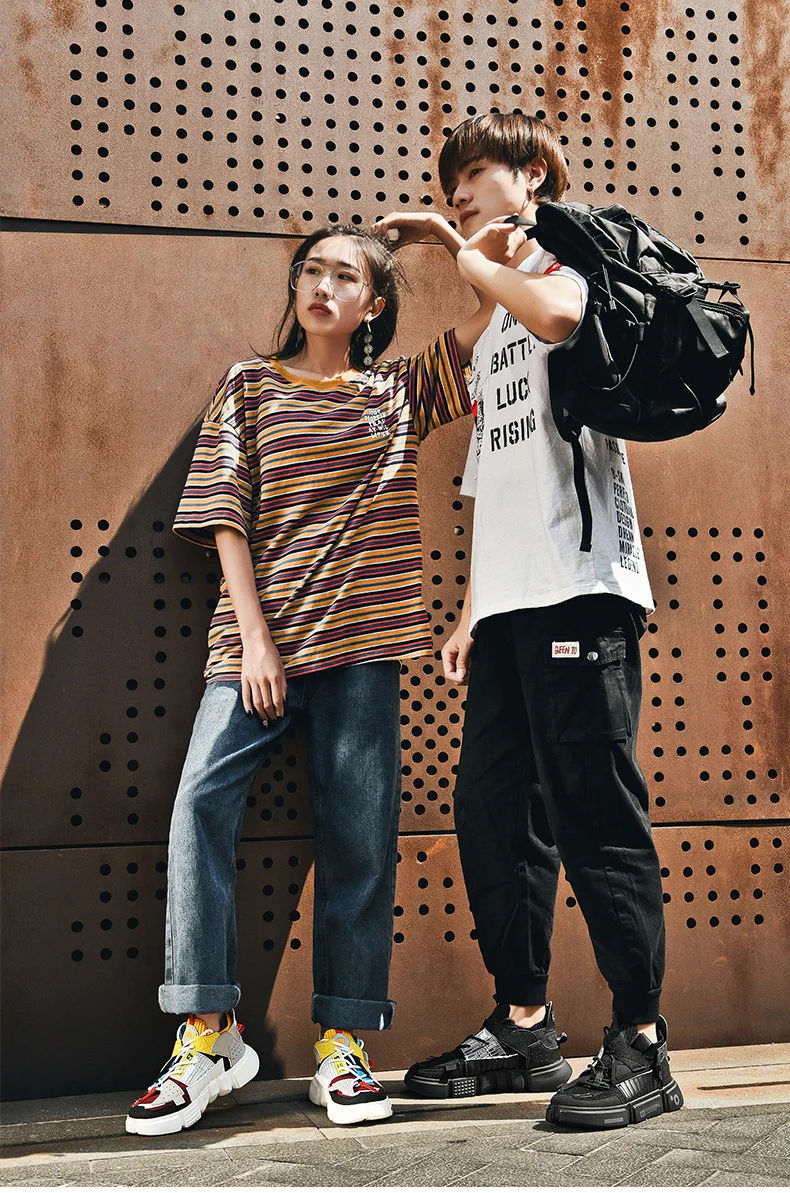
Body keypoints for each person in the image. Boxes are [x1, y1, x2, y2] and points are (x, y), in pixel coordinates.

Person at [125, 224, 492, 1135]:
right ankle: (208, 1033)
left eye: (346, 276)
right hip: (256, 645)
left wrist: (445, 237)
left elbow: (494, 309)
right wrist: (255, 638)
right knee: (199, 805)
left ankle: (343, 1043)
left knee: (360, 838)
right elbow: (225, 512)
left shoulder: (397, 392)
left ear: (374, 305)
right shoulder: (249, 386)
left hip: (364, 647)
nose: (323, 285)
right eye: (312, 270)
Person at [378, 112, 684, 1130]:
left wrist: (455, 246)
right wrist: (473, 607)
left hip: (579, 589)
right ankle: (523, 1023)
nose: (459, 191)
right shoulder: (493, 316)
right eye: (451, 181)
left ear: (532, 174)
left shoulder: (566, 260)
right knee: (493, 814)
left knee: (595, 812)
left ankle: (642, 1040)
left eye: (475, 172)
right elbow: (490, 470)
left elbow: (556, 317)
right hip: (510, 608)